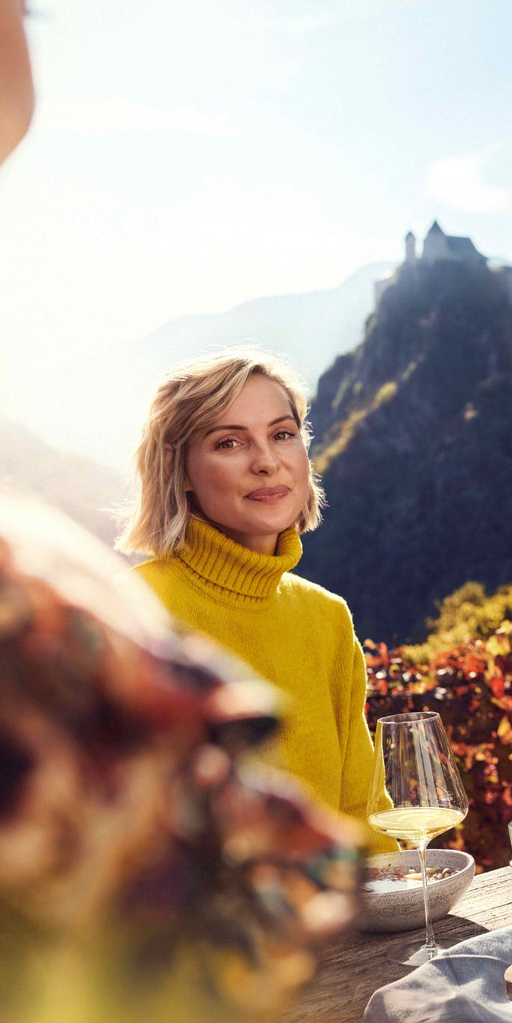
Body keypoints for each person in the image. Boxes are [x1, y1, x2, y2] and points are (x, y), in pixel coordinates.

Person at [0, 0, 360, 1023]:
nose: (16, 89)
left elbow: (373, 830)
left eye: (281, 433)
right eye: (15, 6)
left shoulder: (319, 618)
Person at [119, 351, 394, 839]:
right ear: (178, 470)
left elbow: (363, 817)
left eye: (282, 435)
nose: (267, 463)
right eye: (229, 443)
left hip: (344, 910)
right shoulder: (133, 614)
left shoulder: (327, 618)